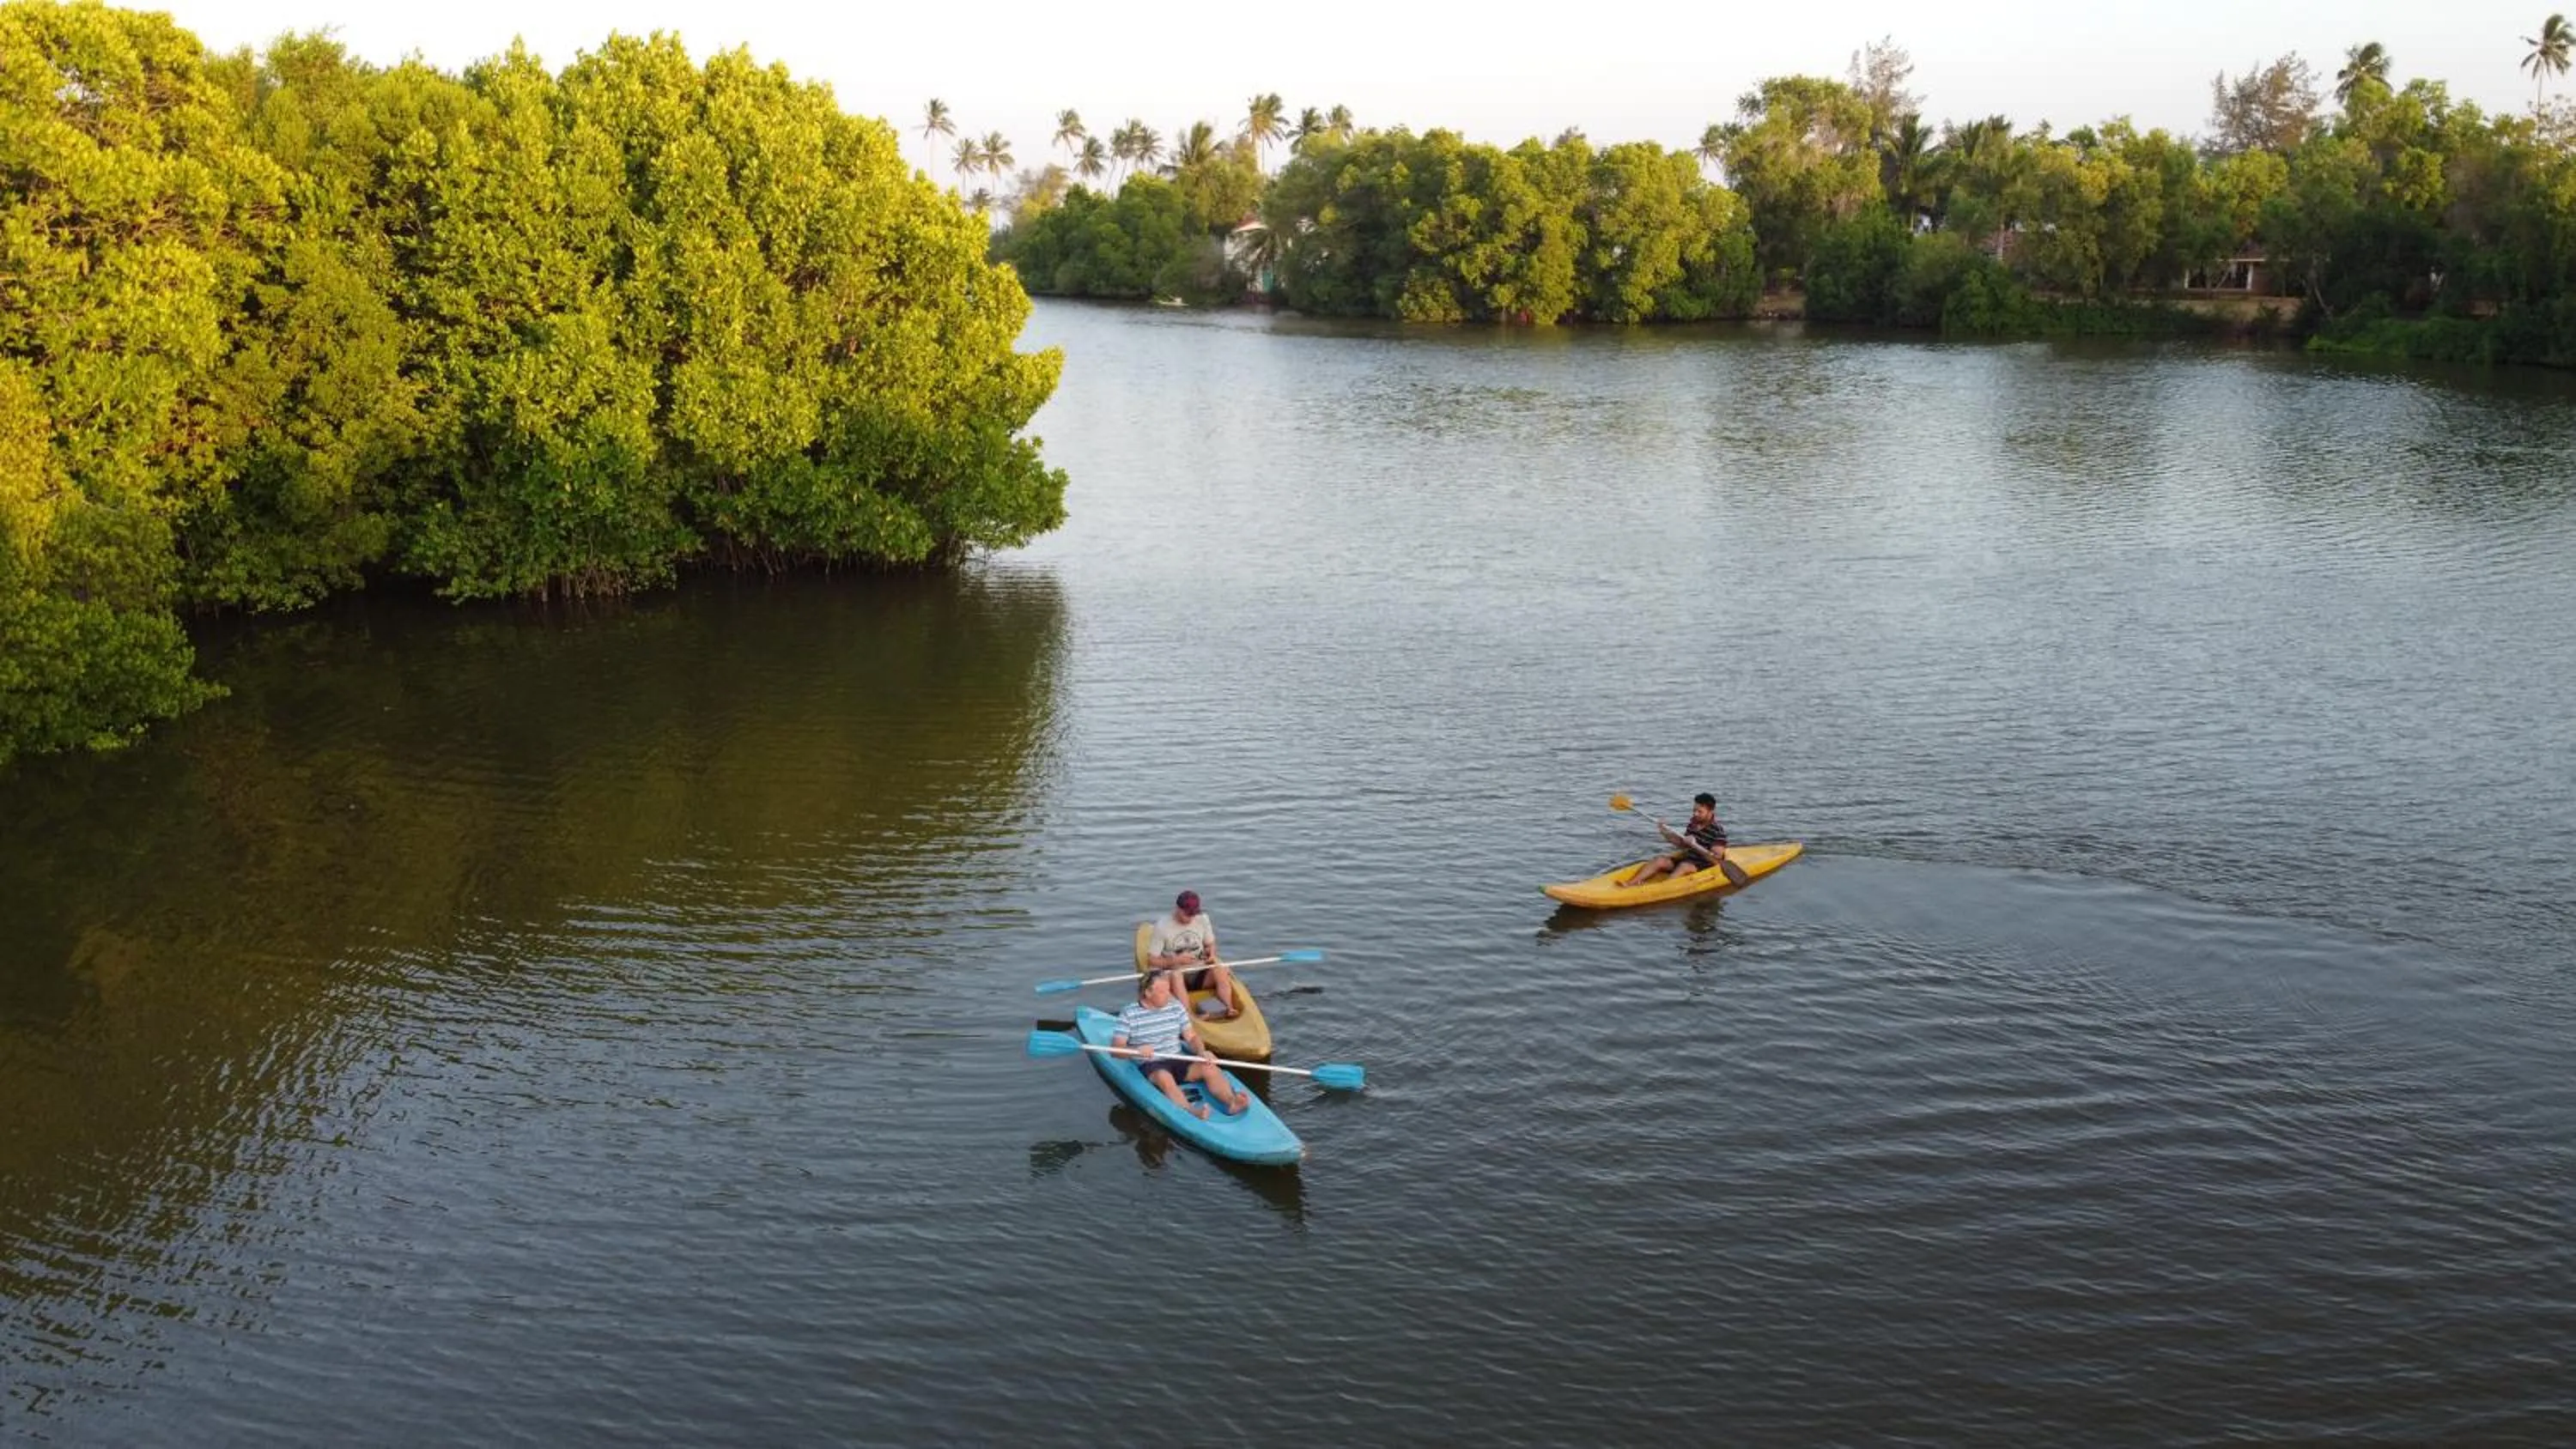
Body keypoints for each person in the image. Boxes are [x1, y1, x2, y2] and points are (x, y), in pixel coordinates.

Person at [1110, 971, 1246, 1119]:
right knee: (1164, 1077)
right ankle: (1191, 1111)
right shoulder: (1129, 1014)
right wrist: (1136, 1051)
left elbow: (1191, 1036)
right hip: (1152, 1063)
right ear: (1148, 993)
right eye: (1163, 992)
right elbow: (1116, 1051)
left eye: (1169, 990)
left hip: (1177, 1058)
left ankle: (1231, 1101)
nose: (1169, 995)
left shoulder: (1176, 1008)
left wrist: (1202, 1052)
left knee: (1209, 1067)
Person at [1145, 889, 1239, 1021]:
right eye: (1187, 914)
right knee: (1176, 974)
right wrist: (1175, 960)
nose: (1190, 918)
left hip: (1199, 971)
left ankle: (1228, 1007)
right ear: (1178, 908)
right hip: (1176, 975)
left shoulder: (1203, 919)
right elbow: (1151, 960)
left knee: (1220, 969)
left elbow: (1210, 944)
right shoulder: (1162, 927)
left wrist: (1211, 953)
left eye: (1193, 914)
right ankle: (1189, 1015)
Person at [1619, 791, 1729, 888]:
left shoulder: (1718, 831)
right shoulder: (1693, 824)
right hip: (1688, 859)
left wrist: (1695, 845)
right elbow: (1682, 845)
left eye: (1700, 811)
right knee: (1660, 860)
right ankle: (1631, 883)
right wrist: (1664, 832)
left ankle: (1661, 889)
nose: (1695, 814)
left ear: (1710, 811)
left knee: (1684, 866)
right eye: (1694, 810)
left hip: (1703, 866)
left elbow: (1716, 859)